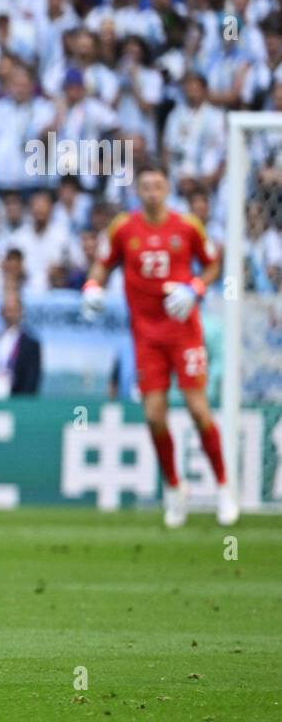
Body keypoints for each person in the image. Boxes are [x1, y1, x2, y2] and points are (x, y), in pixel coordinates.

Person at [82, 167, 234, 527]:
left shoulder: (187, 227)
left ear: (167, 189)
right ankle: (175, 488)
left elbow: (213, 264)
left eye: (158, 186)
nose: (152, 192)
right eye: (146, 186)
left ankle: (224, 487)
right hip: (146, 335)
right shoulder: (123, 228)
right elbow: (101, 265)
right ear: (138, 190)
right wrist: (91, 286)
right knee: (153, 415)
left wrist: (194, 288)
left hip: (183, 331)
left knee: (198, 409)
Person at [0, 290, 41, 397]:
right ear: (1, 312)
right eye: (7, 310)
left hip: (16, 398)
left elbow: (31, 379)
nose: (9, 314)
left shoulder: (30, 344)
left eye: (13, 310)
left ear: (21, 312)